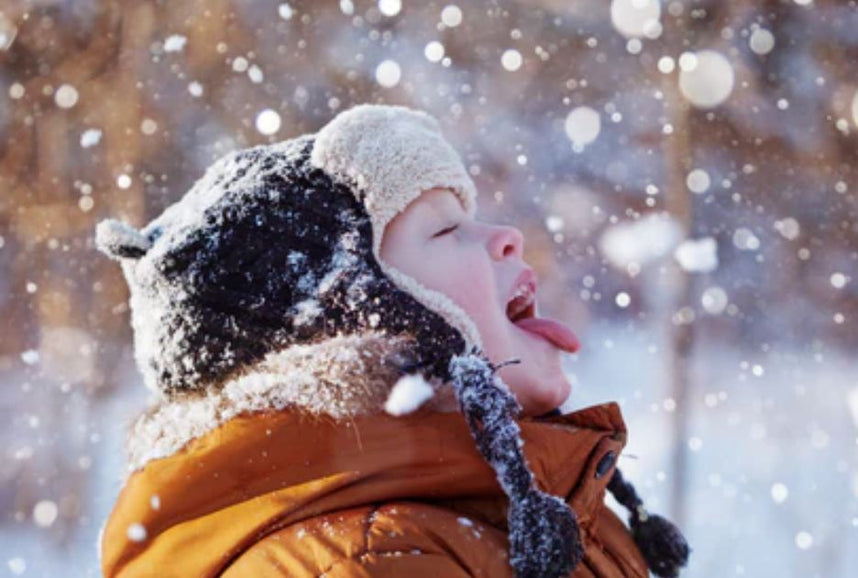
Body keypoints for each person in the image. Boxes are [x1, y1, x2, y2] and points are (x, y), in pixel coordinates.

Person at [94, 103, 689, 577]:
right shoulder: (369, 561)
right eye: (445, 229)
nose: (507, 235)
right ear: (351, 326)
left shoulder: (508, 514)